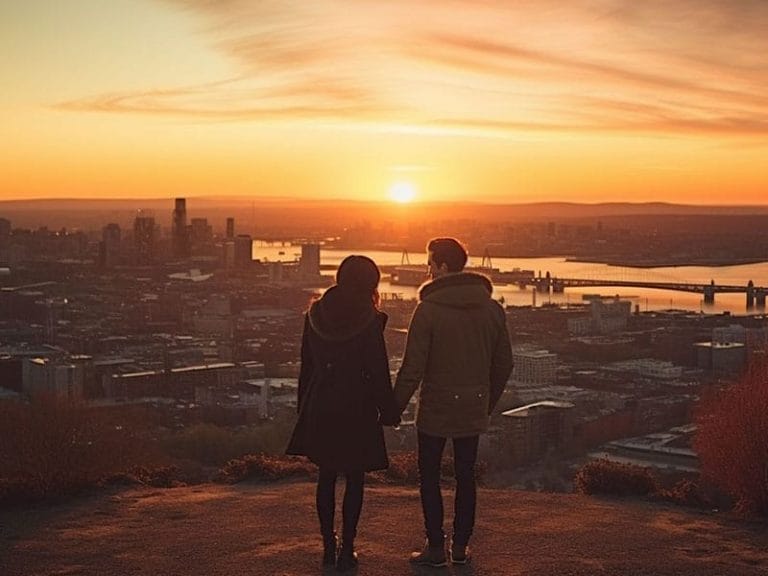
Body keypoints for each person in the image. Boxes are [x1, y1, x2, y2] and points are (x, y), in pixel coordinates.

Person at [393, 237, 513, 567]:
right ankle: (460, 547)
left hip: (435, 408)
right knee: (465, 476)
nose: (427, 270)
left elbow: (412, 368)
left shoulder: (428, 310)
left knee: (429, 475)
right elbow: (504, 364)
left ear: (443, 267)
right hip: (473, 404)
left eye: (430, 263)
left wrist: (393, 408)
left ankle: (434, 547)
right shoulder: (492, 309)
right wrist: (485, 400)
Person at [286, 255, 399, 571]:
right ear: (371, 283)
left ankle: (327, 545)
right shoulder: (370, 320)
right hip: (357, 407)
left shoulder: (315, 314)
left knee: (325, 476)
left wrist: (303, 410)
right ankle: (347, 548)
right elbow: (377, 371)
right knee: (355, 478)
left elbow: (306, 368)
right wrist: (388, 411)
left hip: (321, 406)